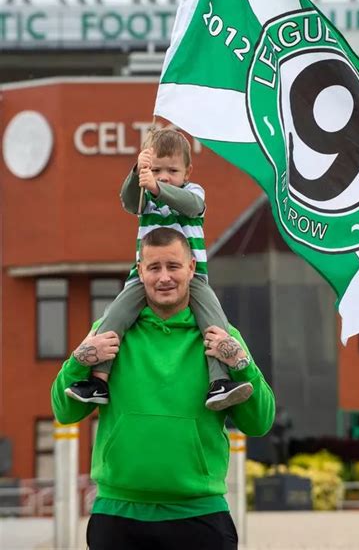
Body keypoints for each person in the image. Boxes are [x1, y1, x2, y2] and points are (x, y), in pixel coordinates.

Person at [52, 228, 275, 550]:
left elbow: (259, 422)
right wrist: (78, 361)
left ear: (191, 269)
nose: (164, 277)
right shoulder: (107, 335)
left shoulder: (222, 336)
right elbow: (65, 411)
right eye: (154, 267)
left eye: (173, 266)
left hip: (200, 513)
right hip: (118, 513)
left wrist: (242, 364)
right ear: (140, 270)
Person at [65, 127, 253, 411]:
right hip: (143, 280)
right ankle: (99, 380)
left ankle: (219, 381)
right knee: (113, 317)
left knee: (215, 325)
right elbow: (128, 202)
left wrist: (156, 187)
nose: (164, 176)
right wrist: (136, 173)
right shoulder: (145, 197)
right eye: (157, 169)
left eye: (172, 171)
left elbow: (191, 206)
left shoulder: (192, 192)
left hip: (194, 279)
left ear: (187, 172)